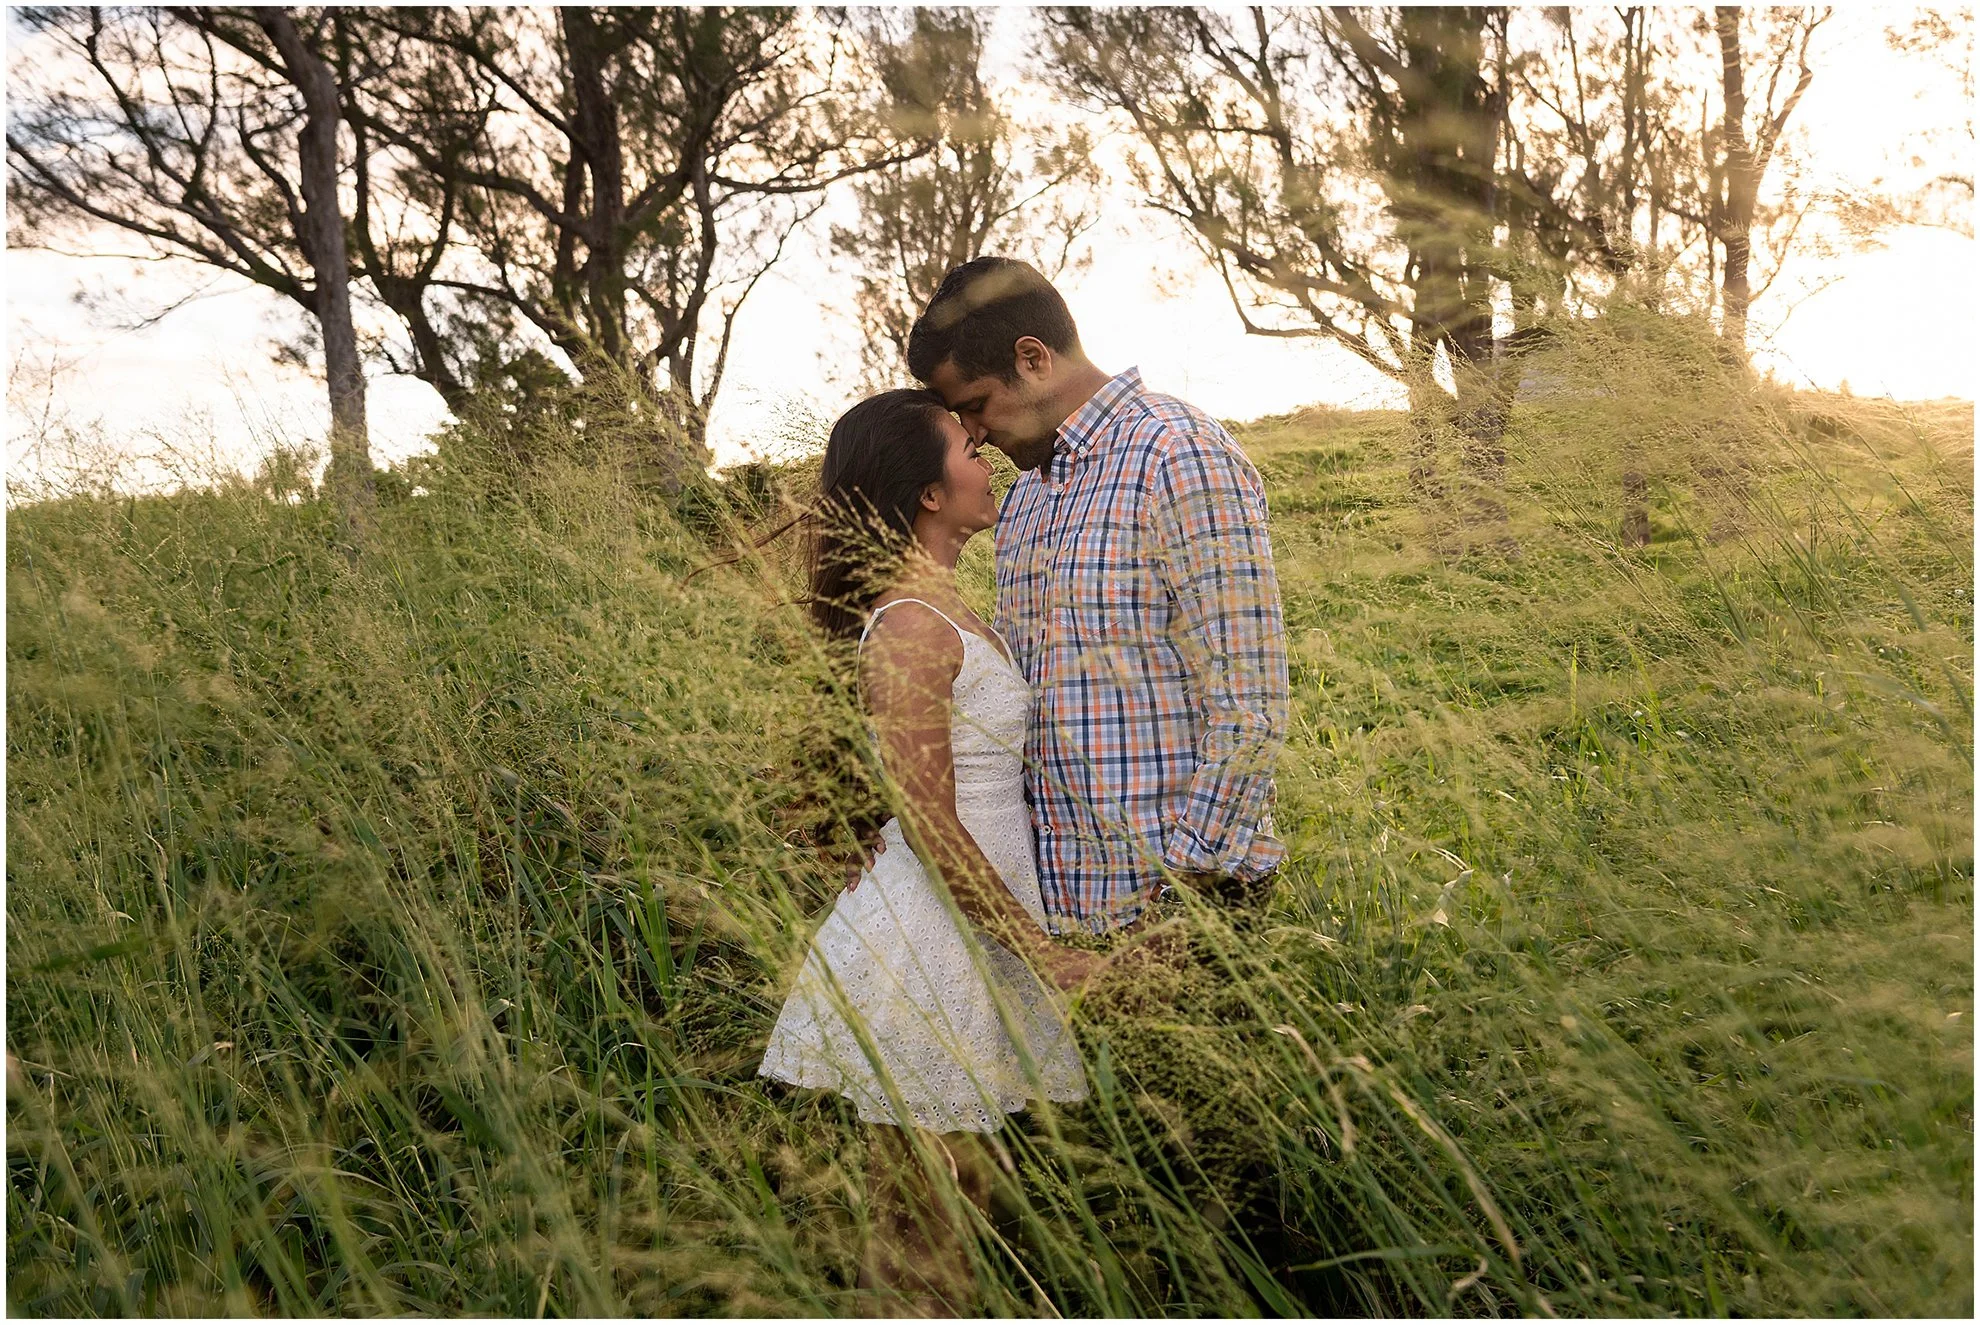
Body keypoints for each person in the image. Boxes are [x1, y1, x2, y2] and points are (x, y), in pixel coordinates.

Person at [756, 389, 1093, 1314]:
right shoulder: (909, 621)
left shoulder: (943, 606)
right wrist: (1046, 954)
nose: (986, 460)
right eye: (966, 448)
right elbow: (935, 825)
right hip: (934, 938)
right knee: (923, 1222)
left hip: (971, 928)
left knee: (958, 1200)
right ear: (928, 493)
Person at [905, 257, 1289, 937]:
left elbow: (1251, 706)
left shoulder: (1177, 453)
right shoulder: (1024, 499)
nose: (975, 433)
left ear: (1033, 359)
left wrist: (1181, 910)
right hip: (1060, 919)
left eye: (975, 405)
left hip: (1178, 916)